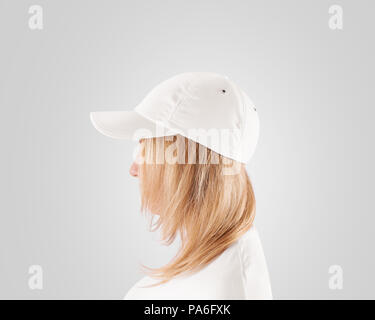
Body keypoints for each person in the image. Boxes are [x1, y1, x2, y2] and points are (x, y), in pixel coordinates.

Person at [90, 72, 272, 299]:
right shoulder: (215, 270)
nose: (133, 170)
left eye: (143, 150)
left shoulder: (222, 289)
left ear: (183, 164)